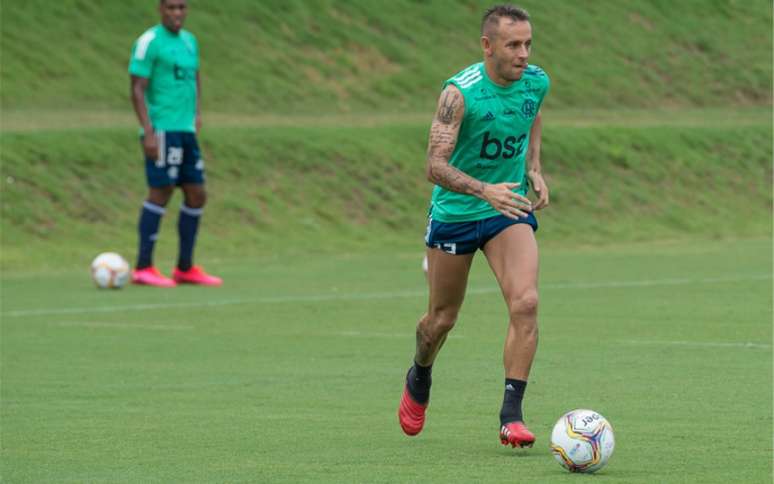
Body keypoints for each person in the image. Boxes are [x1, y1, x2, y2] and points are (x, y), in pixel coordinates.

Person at [398, 4, 550, 448]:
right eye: (513, 45)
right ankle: (420, 373)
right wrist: (485, 190)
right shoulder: (458, 94)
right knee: (441, 321)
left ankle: (512, 416)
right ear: (487, 46)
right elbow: (434, 166)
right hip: (456, 213)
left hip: (508, 209)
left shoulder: (536, 81)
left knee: (526, 302)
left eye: (528, 43)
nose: (523, 54)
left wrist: (535, 165)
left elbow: (533, 112)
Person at [128, 0, 221, 287]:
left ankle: (185, 267)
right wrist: (148, 130)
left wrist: (197, 112)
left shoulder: (190, 41)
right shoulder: (148, 42)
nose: (176, 13)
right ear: (160, 9)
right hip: (163, 128)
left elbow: (195, 76)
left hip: (185, 129)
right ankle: (143, 267)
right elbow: (137, 88)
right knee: (161, 191)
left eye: (181, 7)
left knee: (196, 193)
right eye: (170, 8)